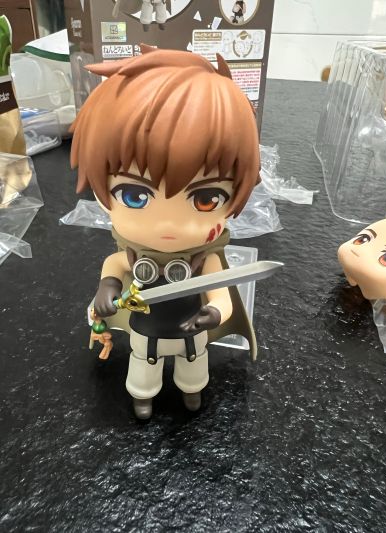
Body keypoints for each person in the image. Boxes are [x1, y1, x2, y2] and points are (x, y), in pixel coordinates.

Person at [70, 46, 260, 419]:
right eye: (135, 195)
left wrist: (214, 313)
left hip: (192, 335)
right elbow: (114, 266)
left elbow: (221, 296)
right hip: (145, 330)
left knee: (194, 369)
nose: (168, 224)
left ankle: (192, 392)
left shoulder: (205, 261)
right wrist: (107, 288)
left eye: (205, 199)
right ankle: (143, 397)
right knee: (143, 368)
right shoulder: (131, 255)